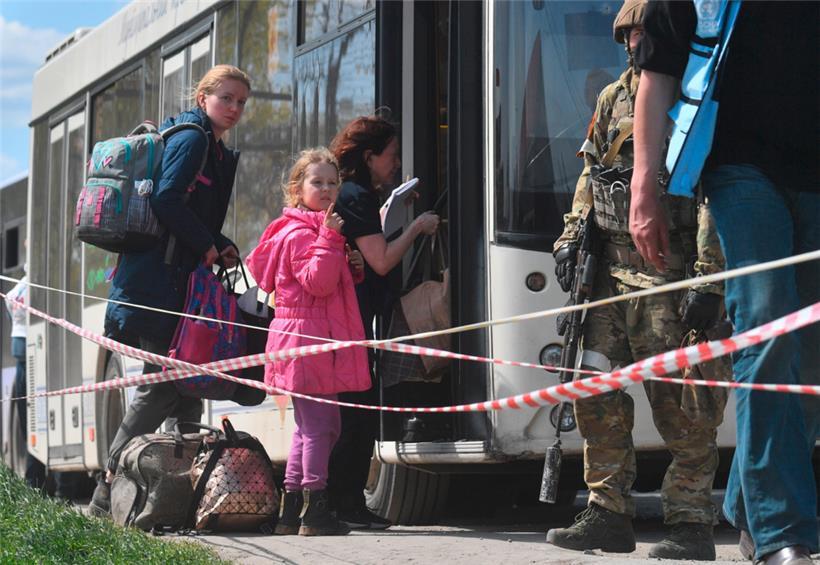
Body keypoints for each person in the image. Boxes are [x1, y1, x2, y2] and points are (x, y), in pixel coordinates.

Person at [629, 2, 819, 563]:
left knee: (809, 357)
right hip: (741, 171)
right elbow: (656, 78)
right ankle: (781, 531)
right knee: (767, 328)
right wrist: (646, 185)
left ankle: (747, 499)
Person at [546, 0, 730, 560]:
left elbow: (713, 196)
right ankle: (607, 513)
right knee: (596, 393)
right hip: (607, 279)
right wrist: (573, 235)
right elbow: (590, 171)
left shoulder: (693, 95)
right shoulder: (612, 98)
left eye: (644, 33)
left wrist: (708, 278)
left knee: (684, 405)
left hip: (668, 276)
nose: (635, 43)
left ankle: (690, 523)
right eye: (630, 34)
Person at [88, 64, 251, 518]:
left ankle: (180, 499)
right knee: (160, 388)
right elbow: (165, 198)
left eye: (241, 101)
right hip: (157, 284)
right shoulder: (193, 139)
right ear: (204, 98)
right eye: (226, 98)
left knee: (190, 386)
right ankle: (105, 492)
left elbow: (186, 209)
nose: (235, 108)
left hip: (175, 284)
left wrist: (218, 244)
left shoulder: (212, 147)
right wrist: (209, 244)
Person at [245, 148, 371, 536]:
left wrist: (351, 266)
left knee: (309, 427)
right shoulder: (302, 233)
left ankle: (292, 509)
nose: (328, 189)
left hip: (304, 336)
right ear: (297, 189)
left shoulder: (314, 230)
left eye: (334, 183)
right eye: (318, 182)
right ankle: (315, 509)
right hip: (306, 339)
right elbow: (317, 281)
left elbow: (326, 286)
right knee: (321, 427)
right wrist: (331, 241)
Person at [326, 114, 439, 529]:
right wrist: (416, 228)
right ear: (370, 156)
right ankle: (345, 503)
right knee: (356, 412)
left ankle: (346, 501)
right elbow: (381, 259)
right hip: (353, 323)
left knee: (357, 409)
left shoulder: (359, 194)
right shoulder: (356, 196)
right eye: (391, 156)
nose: (396, 164)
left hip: (356, 320)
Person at [4, 270, 46, 490]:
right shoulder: (24, 280)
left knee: (35, 419)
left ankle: (36, 482)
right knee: (27, 420)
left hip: (36, 358)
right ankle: (35, 481)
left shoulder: (41, 278)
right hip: (22, 360)